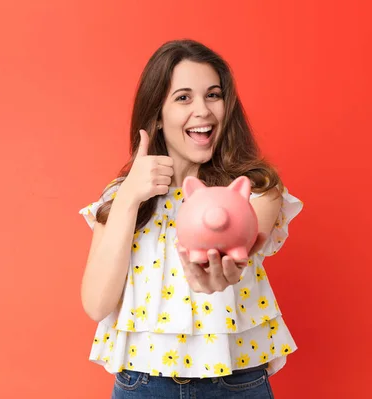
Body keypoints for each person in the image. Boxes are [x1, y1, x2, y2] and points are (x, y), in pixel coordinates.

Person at [79, 39, 303, 399]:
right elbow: (96, 304)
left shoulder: (255, 188)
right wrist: (129, 198)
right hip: (143, 385)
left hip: (236, 384)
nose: (203, 110)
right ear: (157, 114)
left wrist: (216, 276)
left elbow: (234, 253)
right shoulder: (123, 195)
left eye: (213, 95)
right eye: (183, 98)